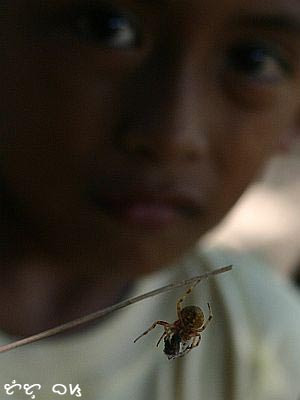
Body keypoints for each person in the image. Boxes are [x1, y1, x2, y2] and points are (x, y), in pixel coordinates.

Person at [0, 0, 299, 399]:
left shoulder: (264, 337)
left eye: (253, 60)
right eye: (108, 29)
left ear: (294, 124)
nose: (174, 136)